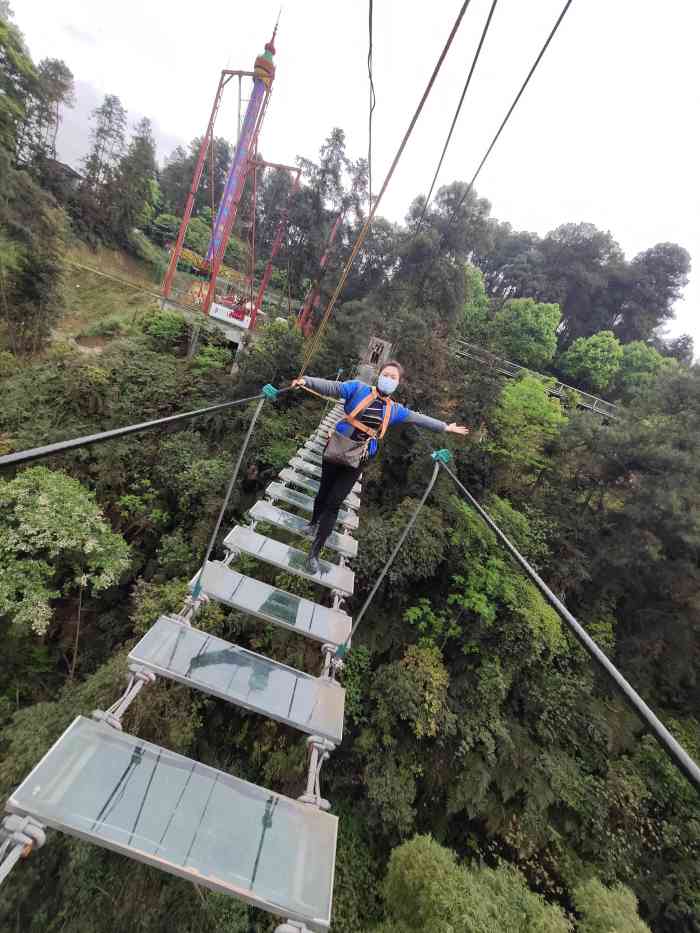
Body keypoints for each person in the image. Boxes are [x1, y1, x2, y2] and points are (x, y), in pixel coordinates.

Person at [292, 360, 469, 573]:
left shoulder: (395, 410)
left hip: (358, 458)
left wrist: (444, 427)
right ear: (379, 375)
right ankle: (312, 524)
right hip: (335, 447)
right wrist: (306, 381)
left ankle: (314, 553)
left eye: (393, 377)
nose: (389, 379)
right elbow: (333, 387)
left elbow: (418, 418)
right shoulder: (357, 388)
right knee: (323, 492)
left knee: (334, 503)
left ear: (398, 382)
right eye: (386, 374)